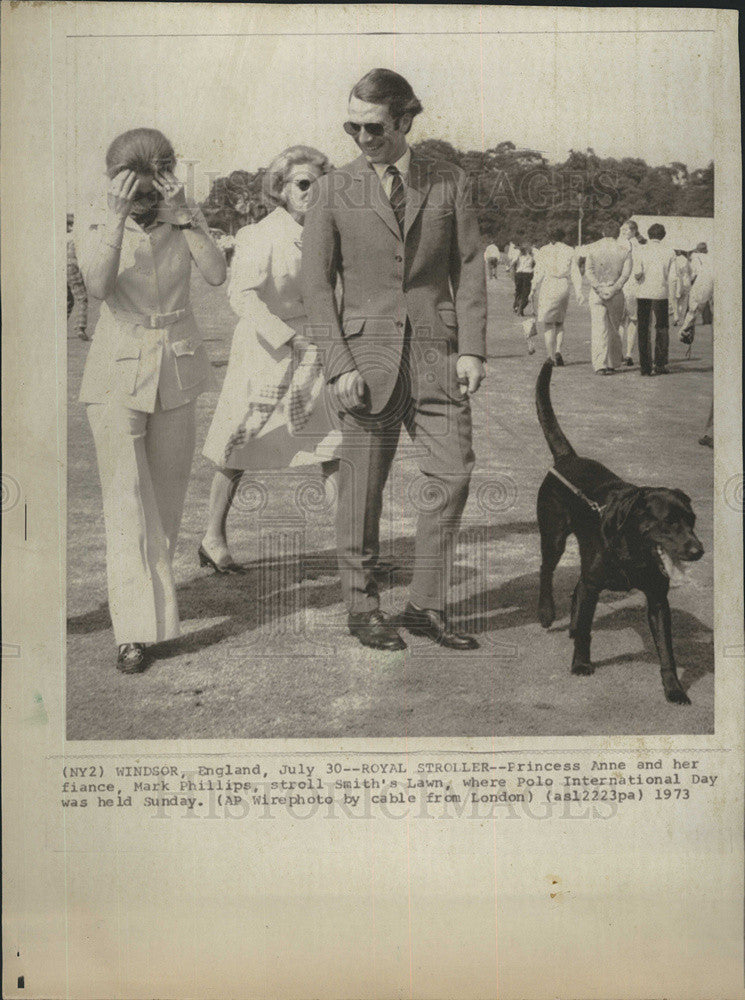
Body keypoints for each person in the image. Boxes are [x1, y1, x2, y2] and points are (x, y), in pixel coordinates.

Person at [302, 67, 486, 652]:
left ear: (406, 120)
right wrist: (340, 364)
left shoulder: (449, 181)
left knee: (453, 475)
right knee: (361, 491)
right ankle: (362, 607)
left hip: (438, 357)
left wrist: (474, 349)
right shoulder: (332, 189)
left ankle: (425, 606)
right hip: (364, 364)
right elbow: (315, 285)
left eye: (375, 127)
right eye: (352, 126)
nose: (362, 138)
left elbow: (471, 265)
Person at [76, 127, 227, 673]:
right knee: (126, 502)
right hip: (117, 368)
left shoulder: (182, 212)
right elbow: (95, 286)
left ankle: (155, 619)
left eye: (152, 189)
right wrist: (116, 218)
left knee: (164, 504)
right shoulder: (98, 215)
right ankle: (134, 631)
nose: (145, 201)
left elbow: (215, 275)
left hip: (178, 367)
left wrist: (185, 215)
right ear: (117, 183)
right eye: (135, 191)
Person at [200, 146, 342, 571]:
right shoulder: (259, 234)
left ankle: (351, 550)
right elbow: (240, 296)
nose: (311, 192)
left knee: (333, 445)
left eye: (320, 184)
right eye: (302, 184)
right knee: (240, 445)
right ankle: (212, 538)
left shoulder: (327, 232)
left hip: (315, 348)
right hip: (266, 353)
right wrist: (287, 339)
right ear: (280, 189)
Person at [583, 220, 631, 375]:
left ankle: (599, 364)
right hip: (615, 292)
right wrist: (614, 288)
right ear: (617, 234)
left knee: (598, 328)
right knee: (614, 328)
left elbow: (588, 271)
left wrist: (598, 286)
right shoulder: (624, 250)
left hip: (597, 291)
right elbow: (625, 274)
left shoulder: (592, 247)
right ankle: (612, 362)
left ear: (603, 232)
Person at [530, 225, 583, 366]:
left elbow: (538, 271)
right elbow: (575, 272)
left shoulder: (543, 250)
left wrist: (533, 288)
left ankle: (550, 356)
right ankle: (558, 350)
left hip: (549, 284)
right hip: (563, 285)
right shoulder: (569, 250)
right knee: (559, 321)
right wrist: (579, 292)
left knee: (548, 323)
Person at [634, 223, 676, 376]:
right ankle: (660, 364)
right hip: (661, 293)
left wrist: (638, 277)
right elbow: (673, 278)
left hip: (644, 292)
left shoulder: (641, 250)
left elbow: (637, 272)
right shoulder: (670, 251)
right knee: (662, 328)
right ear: (663, 235)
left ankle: (645, 367)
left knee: (644, 328)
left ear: (649, 234)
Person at [617, 219, 644, 366]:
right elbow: (640, 270)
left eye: (626, 230)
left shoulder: (619, 244)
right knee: (633, 320)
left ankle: (621, 353)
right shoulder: (639, 246)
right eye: (622, 230)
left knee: (621, 321)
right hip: (633, 286)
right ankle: (628, 354)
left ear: (633, 231)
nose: (623, 232)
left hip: (622, 285)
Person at [67, 214, 89, 340]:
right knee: (82, 299)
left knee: (68, 300)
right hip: (72, 267)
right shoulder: (76, 237)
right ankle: (80, 327)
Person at [670, 249, 692, 326]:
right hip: (686, 282)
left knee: (675, 300)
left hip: (677, 282)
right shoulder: (685, 260)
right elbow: (690, 271)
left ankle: (676, 316)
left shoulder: (674, 260)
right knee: (684, 302)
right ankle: (681, 319)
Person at [513, 244, 535, 315]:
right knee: (526, 292)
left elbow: (514, 265)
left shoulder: (519, 257)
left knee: (518, 291)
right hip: (527, 274)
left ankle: (516, 306)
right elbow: (534, 265)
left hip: (519, 273)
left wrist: (515, 273)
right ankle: (520, 308)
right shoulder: (531, 257)